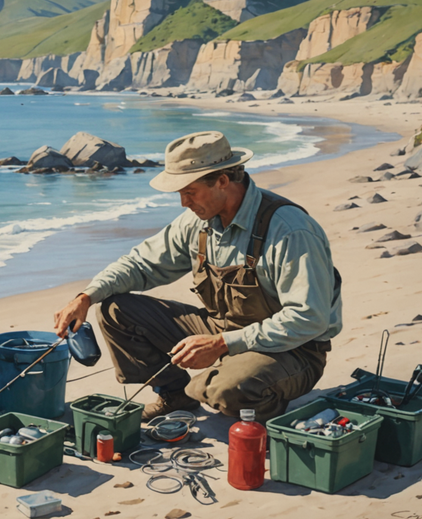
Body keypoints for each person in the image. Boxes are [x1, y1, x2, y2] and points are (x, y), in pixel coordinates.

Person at [53, 131, 341, 421]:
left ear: (222, 181)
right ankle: (175, 396)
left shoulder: (290, 231)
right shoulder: (198, 221)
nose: (183, 203)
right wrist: (85, 297)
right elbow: (140, 264)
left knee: (223, 390)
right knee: (115, 309)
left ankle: (264, 422)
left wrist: (223, 344)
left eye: (189, 192)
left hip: (292, 350)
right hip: (221, 331)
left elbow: (308, 319)